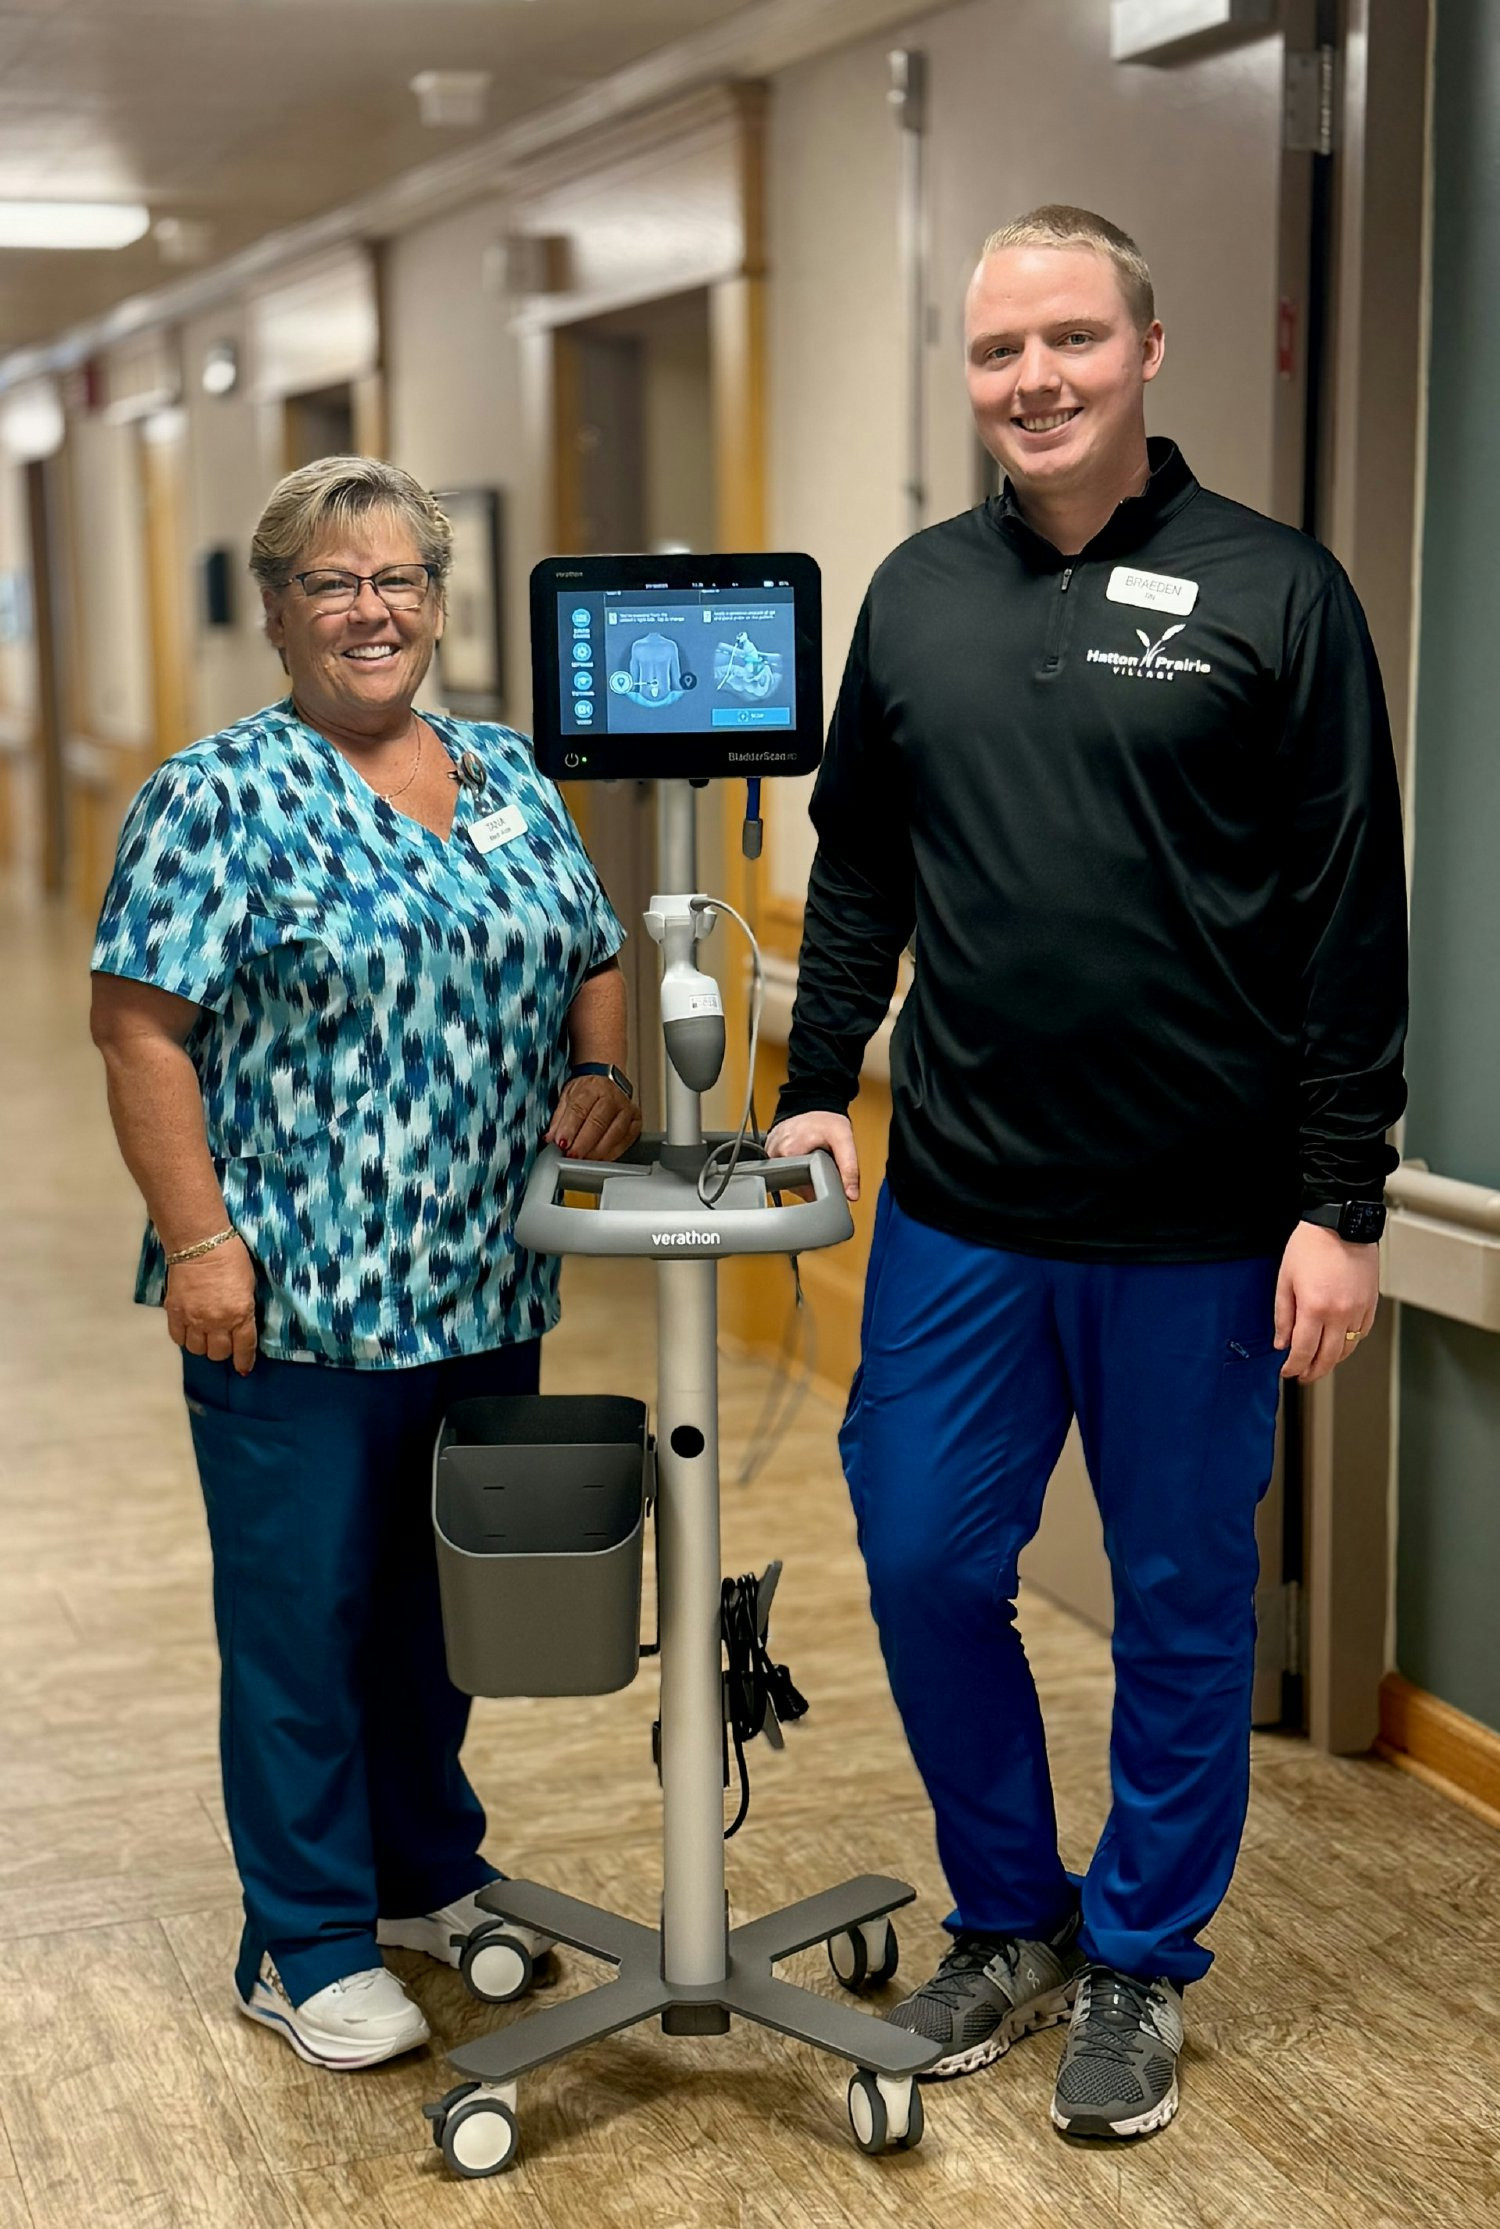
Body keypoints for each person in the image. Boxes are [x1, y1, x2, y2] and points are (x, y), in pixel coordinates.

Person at [766, 207, 1407, 2142]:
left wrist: (1343, 1199)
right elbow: (863, 863)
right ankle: (1011, 1910)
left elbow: (1344, 913)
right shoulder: (917, 595)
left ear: (1148, 346)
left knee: (1183, 1605)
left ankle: (1139, 1954)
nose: (1030, 380)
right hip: (964, 1202)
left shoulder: (1275, 593)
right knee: (931, 1558)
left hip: (1205, 1224)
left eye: (1067, 340)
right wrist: (814, 1084)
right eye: (994, 353)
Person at [90, 455, 641, 2071]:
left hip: (482, 1285)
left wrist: (596, 1075)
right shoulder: (216, 795)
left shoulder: (509, 770)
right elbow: (140, 1031)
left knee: (438, 1609)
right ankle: (306, 1934)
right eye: (331, 583)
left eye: (397, 578)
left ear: (439, 603)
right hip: (298, 1304)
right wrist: (202, 1238)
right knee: (305, 1621)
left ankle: (421, 1872)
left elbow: (589, 945)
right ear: (274, 613)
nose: (370, 609)